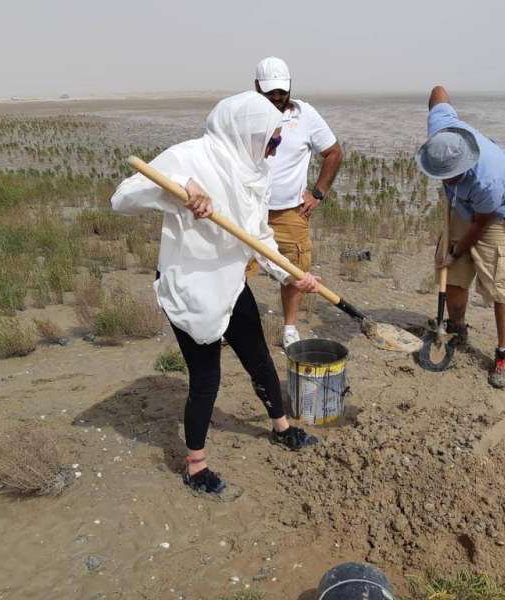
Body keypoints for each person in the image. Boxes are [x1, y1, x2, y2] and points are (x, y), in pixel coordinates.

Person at [111, 91, 322, 497]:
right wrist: (177, 189)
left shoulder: (255, 169)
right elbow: (122, 198)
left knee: (258, 356)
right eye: (271, 139)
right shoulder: (190, 157)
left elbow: (259, 236)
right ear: (245, 130)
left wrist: (293, 275)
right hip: (192, 284)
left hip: (229, 279)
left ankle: (281, 428)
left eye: (277, 141)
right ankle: (196, 467)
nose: (274, 148)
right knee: (207, 376)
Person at [415, 85, 505, 388]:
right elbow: (438, 93)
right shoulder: (441, 128)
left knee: (502, 282)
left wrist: (459, 248)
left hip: (499, 211)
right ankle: (456, 328)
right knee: (450, 271)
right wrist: (451, 256)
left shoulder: (487, 179)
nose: (443, 180)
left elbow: (480, 224)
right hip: (464, 207)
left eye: (448, 176)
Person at [252, 56, 344, 347]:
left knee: (294, 271)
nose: (277, 97)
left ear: (290, 87)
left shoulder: (305, 115)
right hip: (249, 210)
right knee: (234, 271)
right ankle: (230, 325)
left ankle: (289, 327)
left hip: (289, 212)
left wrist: (317, 192)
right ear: (257, 87)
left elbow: (333, 153)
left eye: (282, 91)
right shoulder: (245, 113)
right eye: (270, 92)